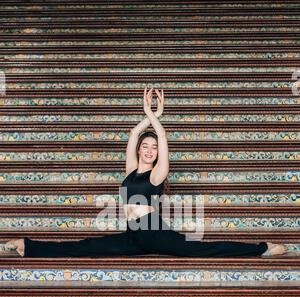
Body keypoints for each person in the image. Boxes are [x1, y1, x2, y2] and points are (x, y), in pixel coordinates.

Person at [4, 87, 287, 259]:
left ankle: (262, 248)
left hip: (153, 232)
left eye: (154, 148)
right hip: (133, 235)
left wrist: (156, 118)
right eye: (146, 146)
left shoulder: (156, 174)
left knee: (200, 249)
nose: (150, 150)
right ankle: (28, 246)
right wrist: (145, 114)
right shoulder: (131, 170)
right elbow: (132, 134)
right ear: (140, 149)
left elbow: (162, 138)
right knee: (86, 245)